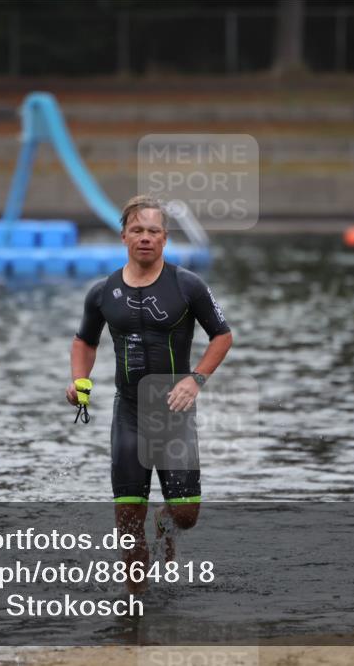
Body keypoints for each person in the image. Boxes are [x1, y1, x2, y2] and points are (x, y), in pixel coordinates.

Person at [66, 194, 233, 591]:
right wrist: (78, 380)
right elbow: (84, 341)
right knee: (127, 525)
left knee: (186, 514)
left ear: (165, 238)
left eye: (153, 231)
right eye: (137, 230)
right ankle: (135, 606)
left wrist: (196, 379)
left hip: (174, 416)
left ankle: (165, 521)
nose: (145, 237)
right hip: (128, 414)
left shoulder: (187, 286)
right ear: (124, 236)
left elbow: (222, 336)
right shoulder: (102, 292)